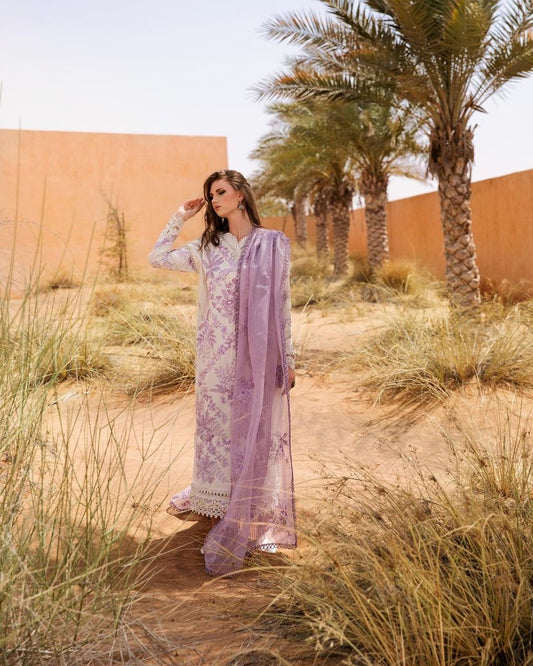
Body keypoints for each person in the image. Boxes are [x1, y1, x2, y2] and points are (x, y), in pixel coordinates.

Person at [148, 169, 297, 576]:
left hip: (259, 358)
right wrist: (179, 217)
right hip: (215, 359)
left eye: (220, 192)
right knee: (219, 430)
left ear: (241, 195)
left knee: (254, 429)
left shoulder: (273, 244)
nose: (214, 200)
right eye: (210, 195)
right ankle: (218, 504)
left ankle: (250, 507)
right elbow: (157, 258)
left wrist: (289, 358)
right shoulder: (207, 247)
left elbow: (282, 303)